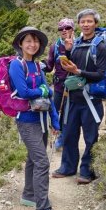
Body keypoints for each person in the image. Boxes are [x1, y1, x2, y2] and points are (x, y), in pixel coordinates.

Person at [9, 26, 64, 210]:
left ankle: (29, 194)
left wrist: (55, 121)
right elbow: (23, 92)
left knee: (34, 159)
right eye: (28, 41)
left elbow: (48, 96)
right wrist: (42, 88)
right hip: (26, 121)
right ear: (21, 44)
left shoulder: (39, 67)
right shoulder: (17, 66)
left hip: (41, 120)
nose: (32, 44)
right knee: (42, 162)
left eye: (36, 41)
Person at [51, 9, 106, 184]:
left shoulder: (101, 46)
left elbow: (100, 74)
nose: (86, 24)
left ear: (95, 24)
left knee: (90, 137)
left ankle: (86, 171)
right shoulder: (74, 44)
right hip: (72, 99)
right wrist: (68, 53)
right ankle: (68, 167)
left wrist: (78, 71)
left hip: (91, 100)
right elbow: (71, 65)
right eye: (83, 22)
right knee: (68, 134)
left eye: (89, 21)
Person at [42, 18, 76, 150]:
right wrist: (39, 65)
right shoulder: (55, 47)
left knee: (68, 113)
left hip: (74, 86)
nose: (64, 31)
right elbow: (50, 66)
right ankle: (58, 134)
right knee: (55, 112)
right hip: (59, 86)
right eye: (61, 29)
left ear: (73, 29)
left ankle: (63, 139)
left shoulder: (78, 44)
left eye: (67, 28)